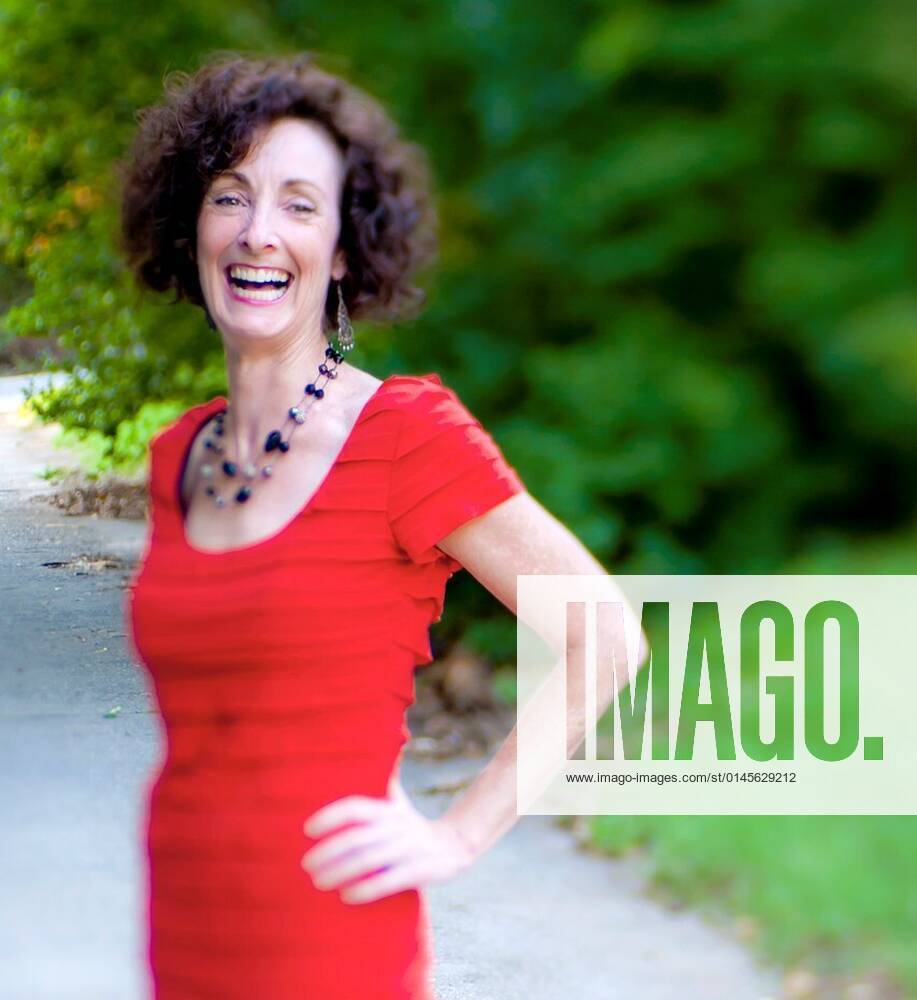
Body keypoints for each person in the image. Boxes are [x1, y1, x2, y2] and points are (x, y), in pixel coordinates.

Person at [121, 52, 617, 999]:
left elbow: (606, 634)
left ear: (345, 249)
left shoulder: (405, 437)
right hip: (184, 926)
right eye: (230, 196)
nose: (258, 231)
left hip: (330, 942)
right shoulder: (174, 456)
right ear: (189, 224)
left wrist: (455, 830)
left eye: (300, 204)